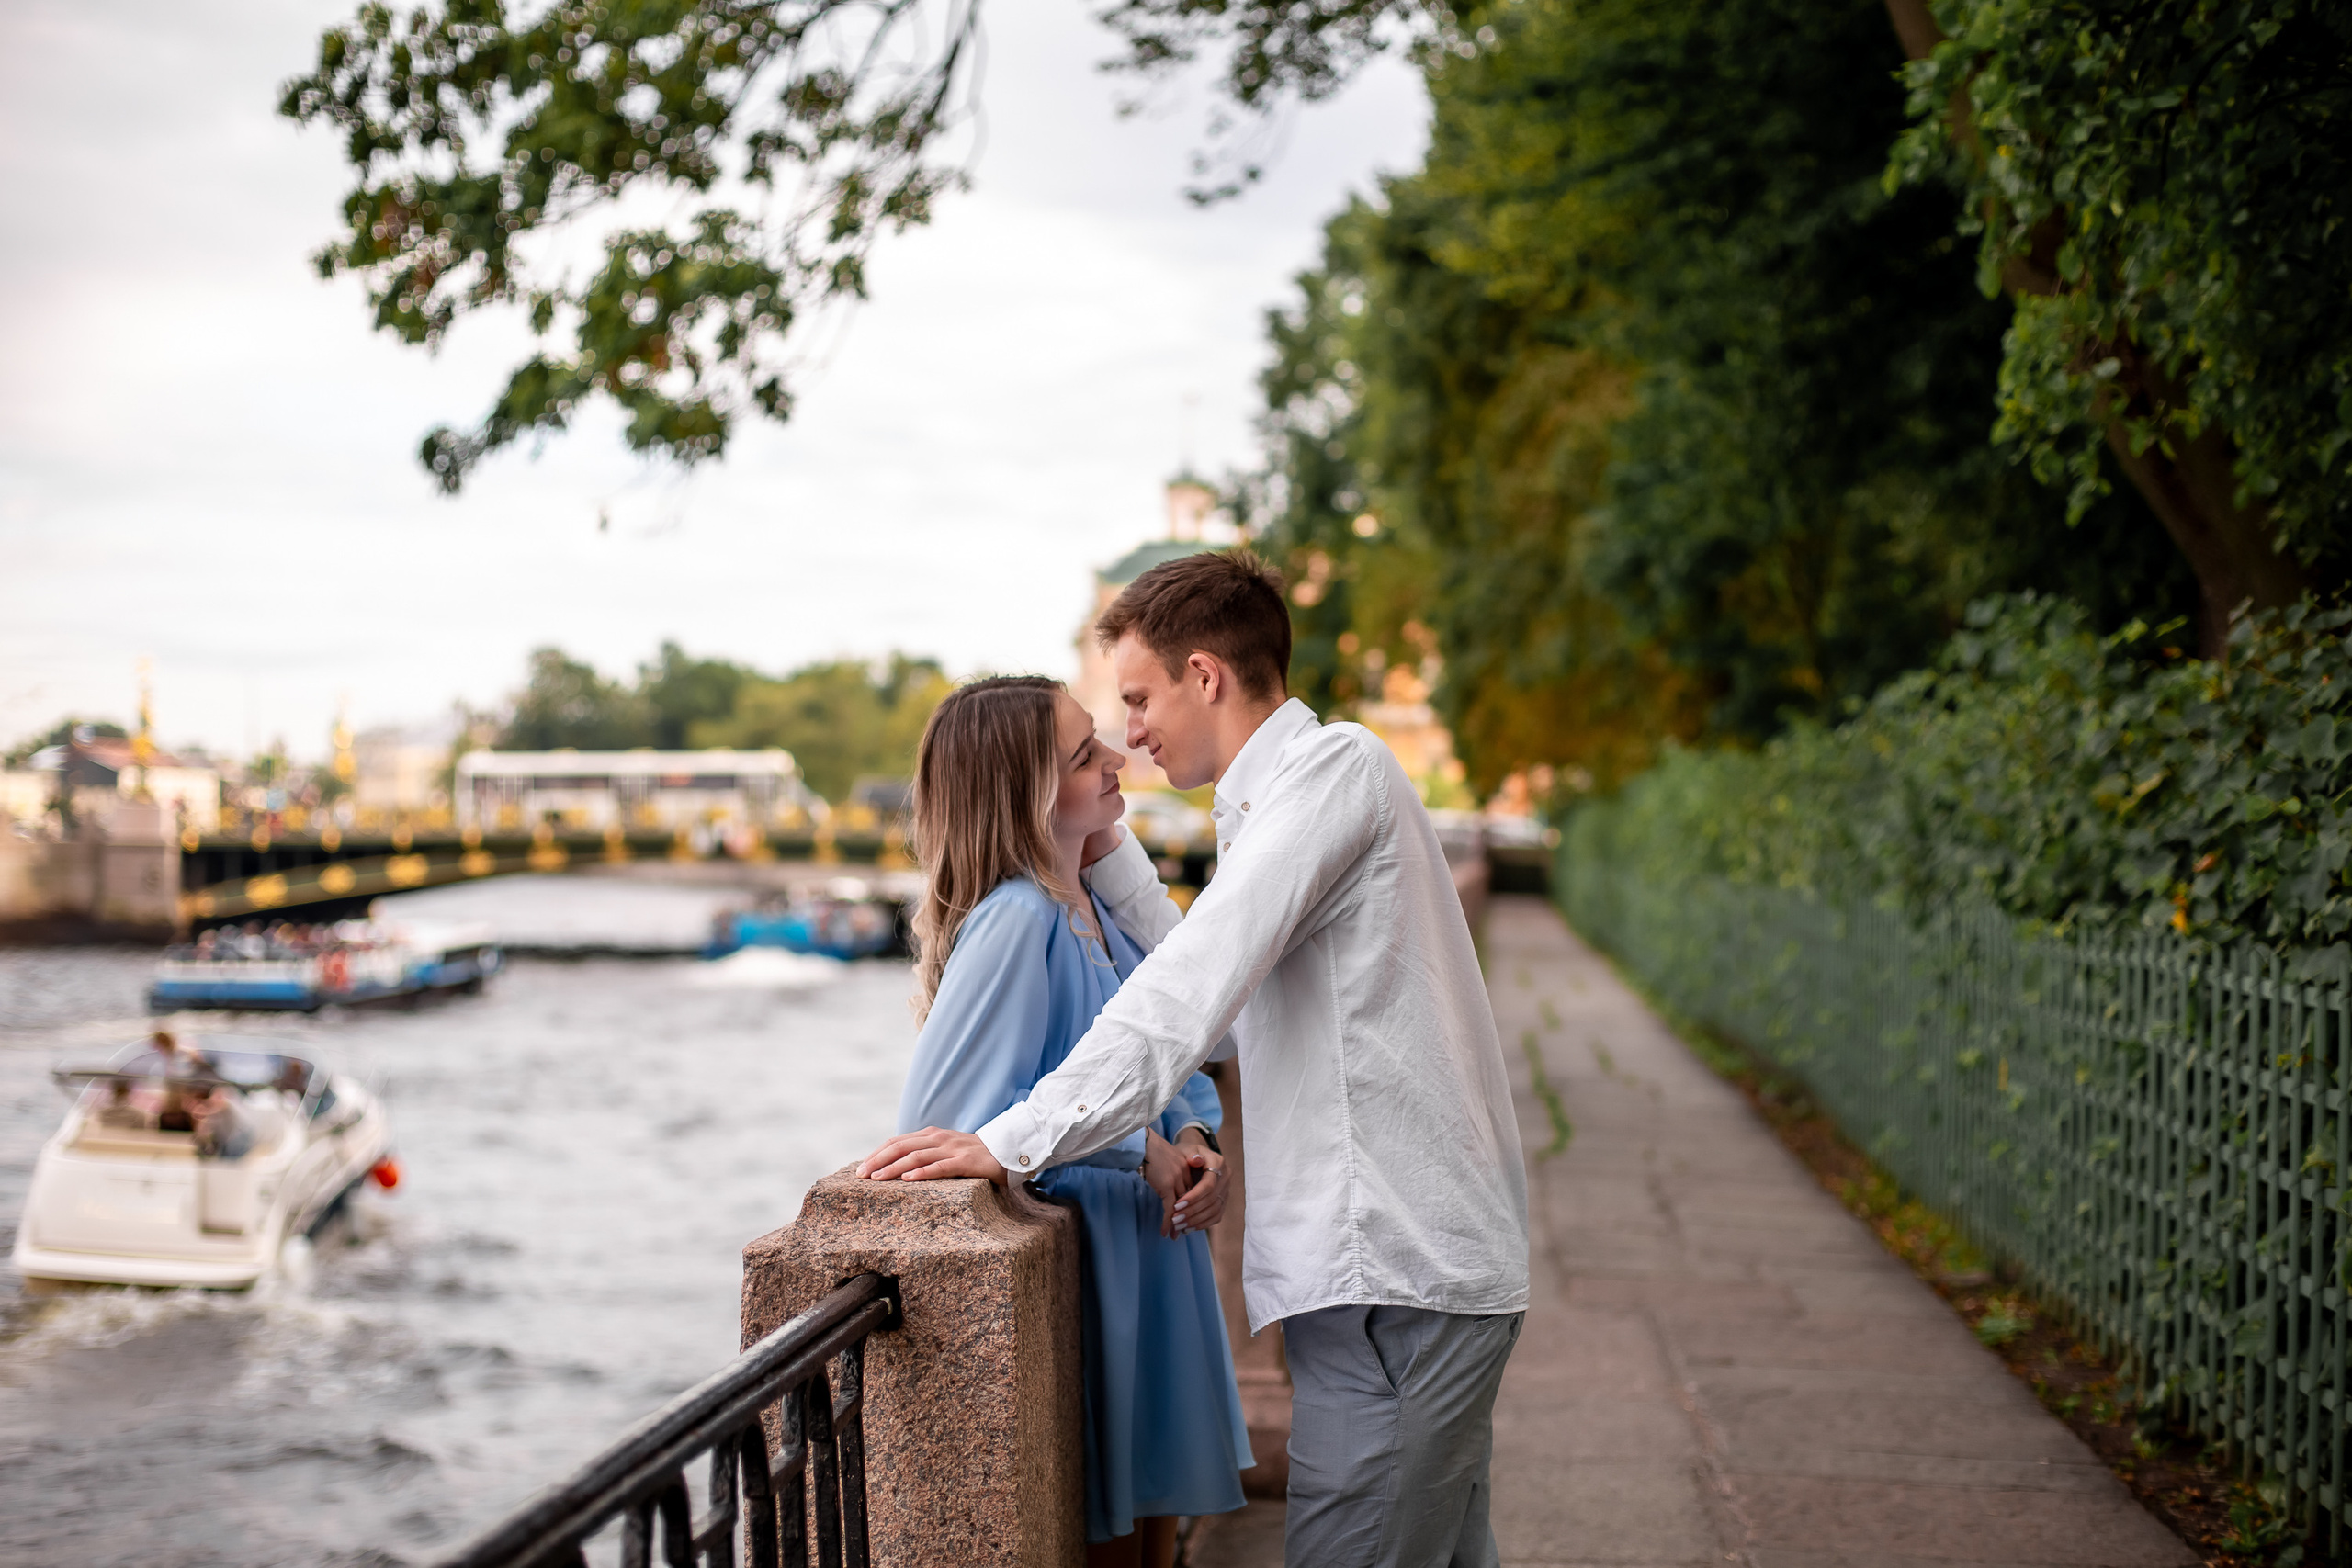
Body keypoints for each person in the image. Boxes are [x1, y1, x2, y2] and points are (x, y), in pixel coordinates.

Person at [862, 550, 1530, 1568]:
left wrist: (1008, 1141)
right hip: (1385, 1279)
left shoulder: (1335, 770)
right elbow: (1210, 997)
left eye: (1136, 698)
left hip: (1400, 1277)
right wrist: (1086, 841)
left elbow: (1189, 995)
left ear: (1205, 676)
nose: (1128, 736)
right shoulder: (1266, 808)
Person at [892, 674, 1253, 1568]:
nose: (1116, 756)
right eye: (1084, 754)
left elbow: (1170, 1055)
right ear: (1026, 793)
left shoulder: (1095, 909)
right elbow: (952, 1121)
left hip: (1149, 1257)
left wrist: (1197, 1141)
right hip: (1097, 1272)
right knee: (1115, 1539)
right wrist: (1143, 1151)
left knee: (1153, 1531)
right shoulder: (1016, 920)